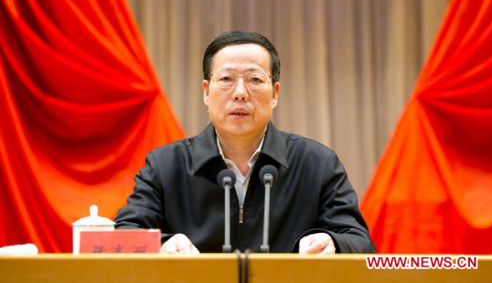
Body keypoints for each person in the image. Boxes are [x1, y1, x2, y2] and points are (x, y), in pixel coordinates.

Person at [114, 30, 376, 254]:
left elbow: (360, 242)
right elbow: (123, 235)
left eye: (255, 80)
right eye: (227, 79)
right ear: (206, 91)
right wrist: (164, 243)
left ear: (275, 94)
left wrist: (333, 242)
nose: (240, 93)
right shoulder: (165, 166)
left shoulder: (317, 164)